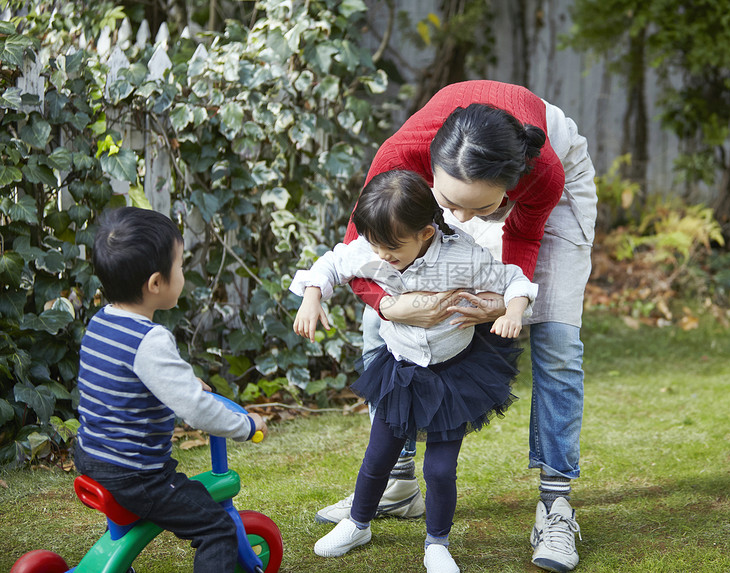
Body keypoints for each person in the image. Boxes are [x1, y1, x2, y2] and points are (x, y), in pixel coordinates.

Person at [315, 80, 597, 572]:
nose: (462, 220)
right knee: (375, 319)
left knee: (556, 341)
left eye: (479, 211)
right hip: (467, 175)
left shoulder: (541, 176)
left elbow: (522, 245)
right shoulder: (401, 154)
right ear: (428, 169)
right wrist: (388, 307)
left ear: (508, 188)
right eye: (448, 203)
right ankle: (399, 483)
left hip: (550, 182)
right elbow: (362, 253)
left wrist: (502, 306)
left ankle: (555, 507)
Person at [290, 170, 538, 573]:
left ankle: (437, 543)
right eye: (374, 244)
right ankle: (358, 523)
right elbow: (334, 262)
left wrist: (512, 309)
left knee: (440, 469)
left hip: (453, 376)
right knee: (377, 458)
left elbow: (513, 278)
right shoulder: (374, 249)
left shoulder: (463, 256)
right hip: (401, 371)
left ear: (425, 232)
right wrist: (312, 296)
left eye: (391, 247)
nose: (381, 255)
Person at [74, 206, 268, 573]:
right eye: (180, 266)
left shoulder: (101, 322)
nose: (183, 274)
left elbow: (121, 381)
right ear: (156, 283)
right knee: (217, 527)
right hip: (136, 475)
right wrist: (247, 425)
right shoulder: (150, 340)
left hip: (90, 456)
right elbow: (196, 410)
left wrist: (181, 381)